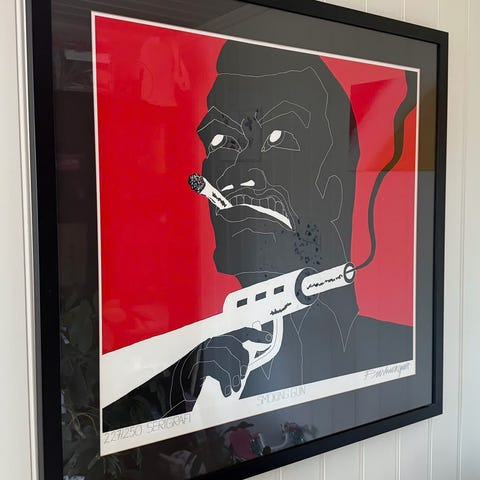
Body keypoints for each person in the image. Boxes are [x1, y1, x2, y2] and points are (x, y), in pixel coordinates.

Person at [103, 41, 413, 431]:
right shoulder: (191, 371)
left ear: (335, 187)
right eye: (222, 142)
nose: (239, 172)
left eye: (280, 137)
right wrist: (180, 387)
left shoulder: (402, 354)